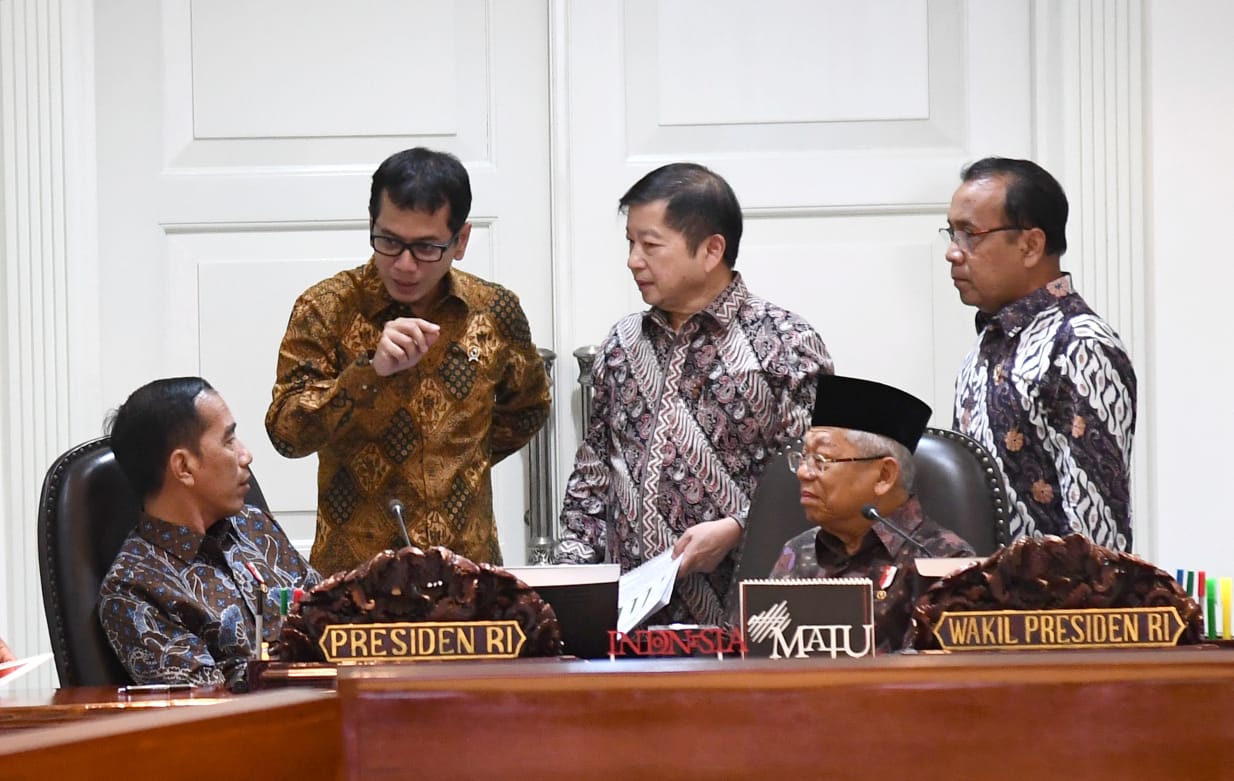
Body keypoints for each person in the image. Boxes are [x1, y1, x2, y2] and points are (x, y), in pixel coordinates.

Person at [554, 162, 833, 627]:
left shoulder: (787, 342)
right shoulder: (622, 344)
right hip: (630, 625)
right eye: (630, 242)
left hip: (754, 619)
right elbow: (594, 473)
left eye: (650, 245)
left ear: (711, 250)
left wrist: (738, 527)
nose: (633, 260)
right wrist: (571, 585)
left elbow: (817, 476)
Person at [266, 148, 551, 575]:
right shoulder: (326, 308)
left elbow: (528, 407)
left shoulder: (494, 311)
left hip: (468, 577)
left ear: (461, 241)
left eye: (425, 248)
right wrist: (367, 375)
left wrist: (459, 459)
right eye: (389, 241)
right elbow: (288, 434)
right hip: (354, 581)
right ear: (371, 224)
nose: (403, 264)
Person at [944, 157, 1136, 550]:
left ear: (1031, 244)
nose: (952, 252)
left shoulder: (1080, 345)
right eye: (951, 233)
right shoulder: (989, 343)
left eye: (970, 234)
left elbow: (1096, 541)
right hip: (981, 604)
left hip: (1055, 609)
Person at [100, 377, 318, 689]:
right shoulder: (135, 589)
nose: (246, 455)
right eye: (229, 441)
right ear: (184, 467)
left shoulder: (254, 525)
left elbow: (333, 621)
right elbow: (209, 716)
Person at [770, 375, 975, 653]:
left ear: (884, 475)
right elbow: (751, 655)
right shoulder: (797, 552)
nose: (804, 472)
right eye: (803, 458)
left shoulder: (943, 563)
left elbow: (937, 684)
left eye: (821, 460)